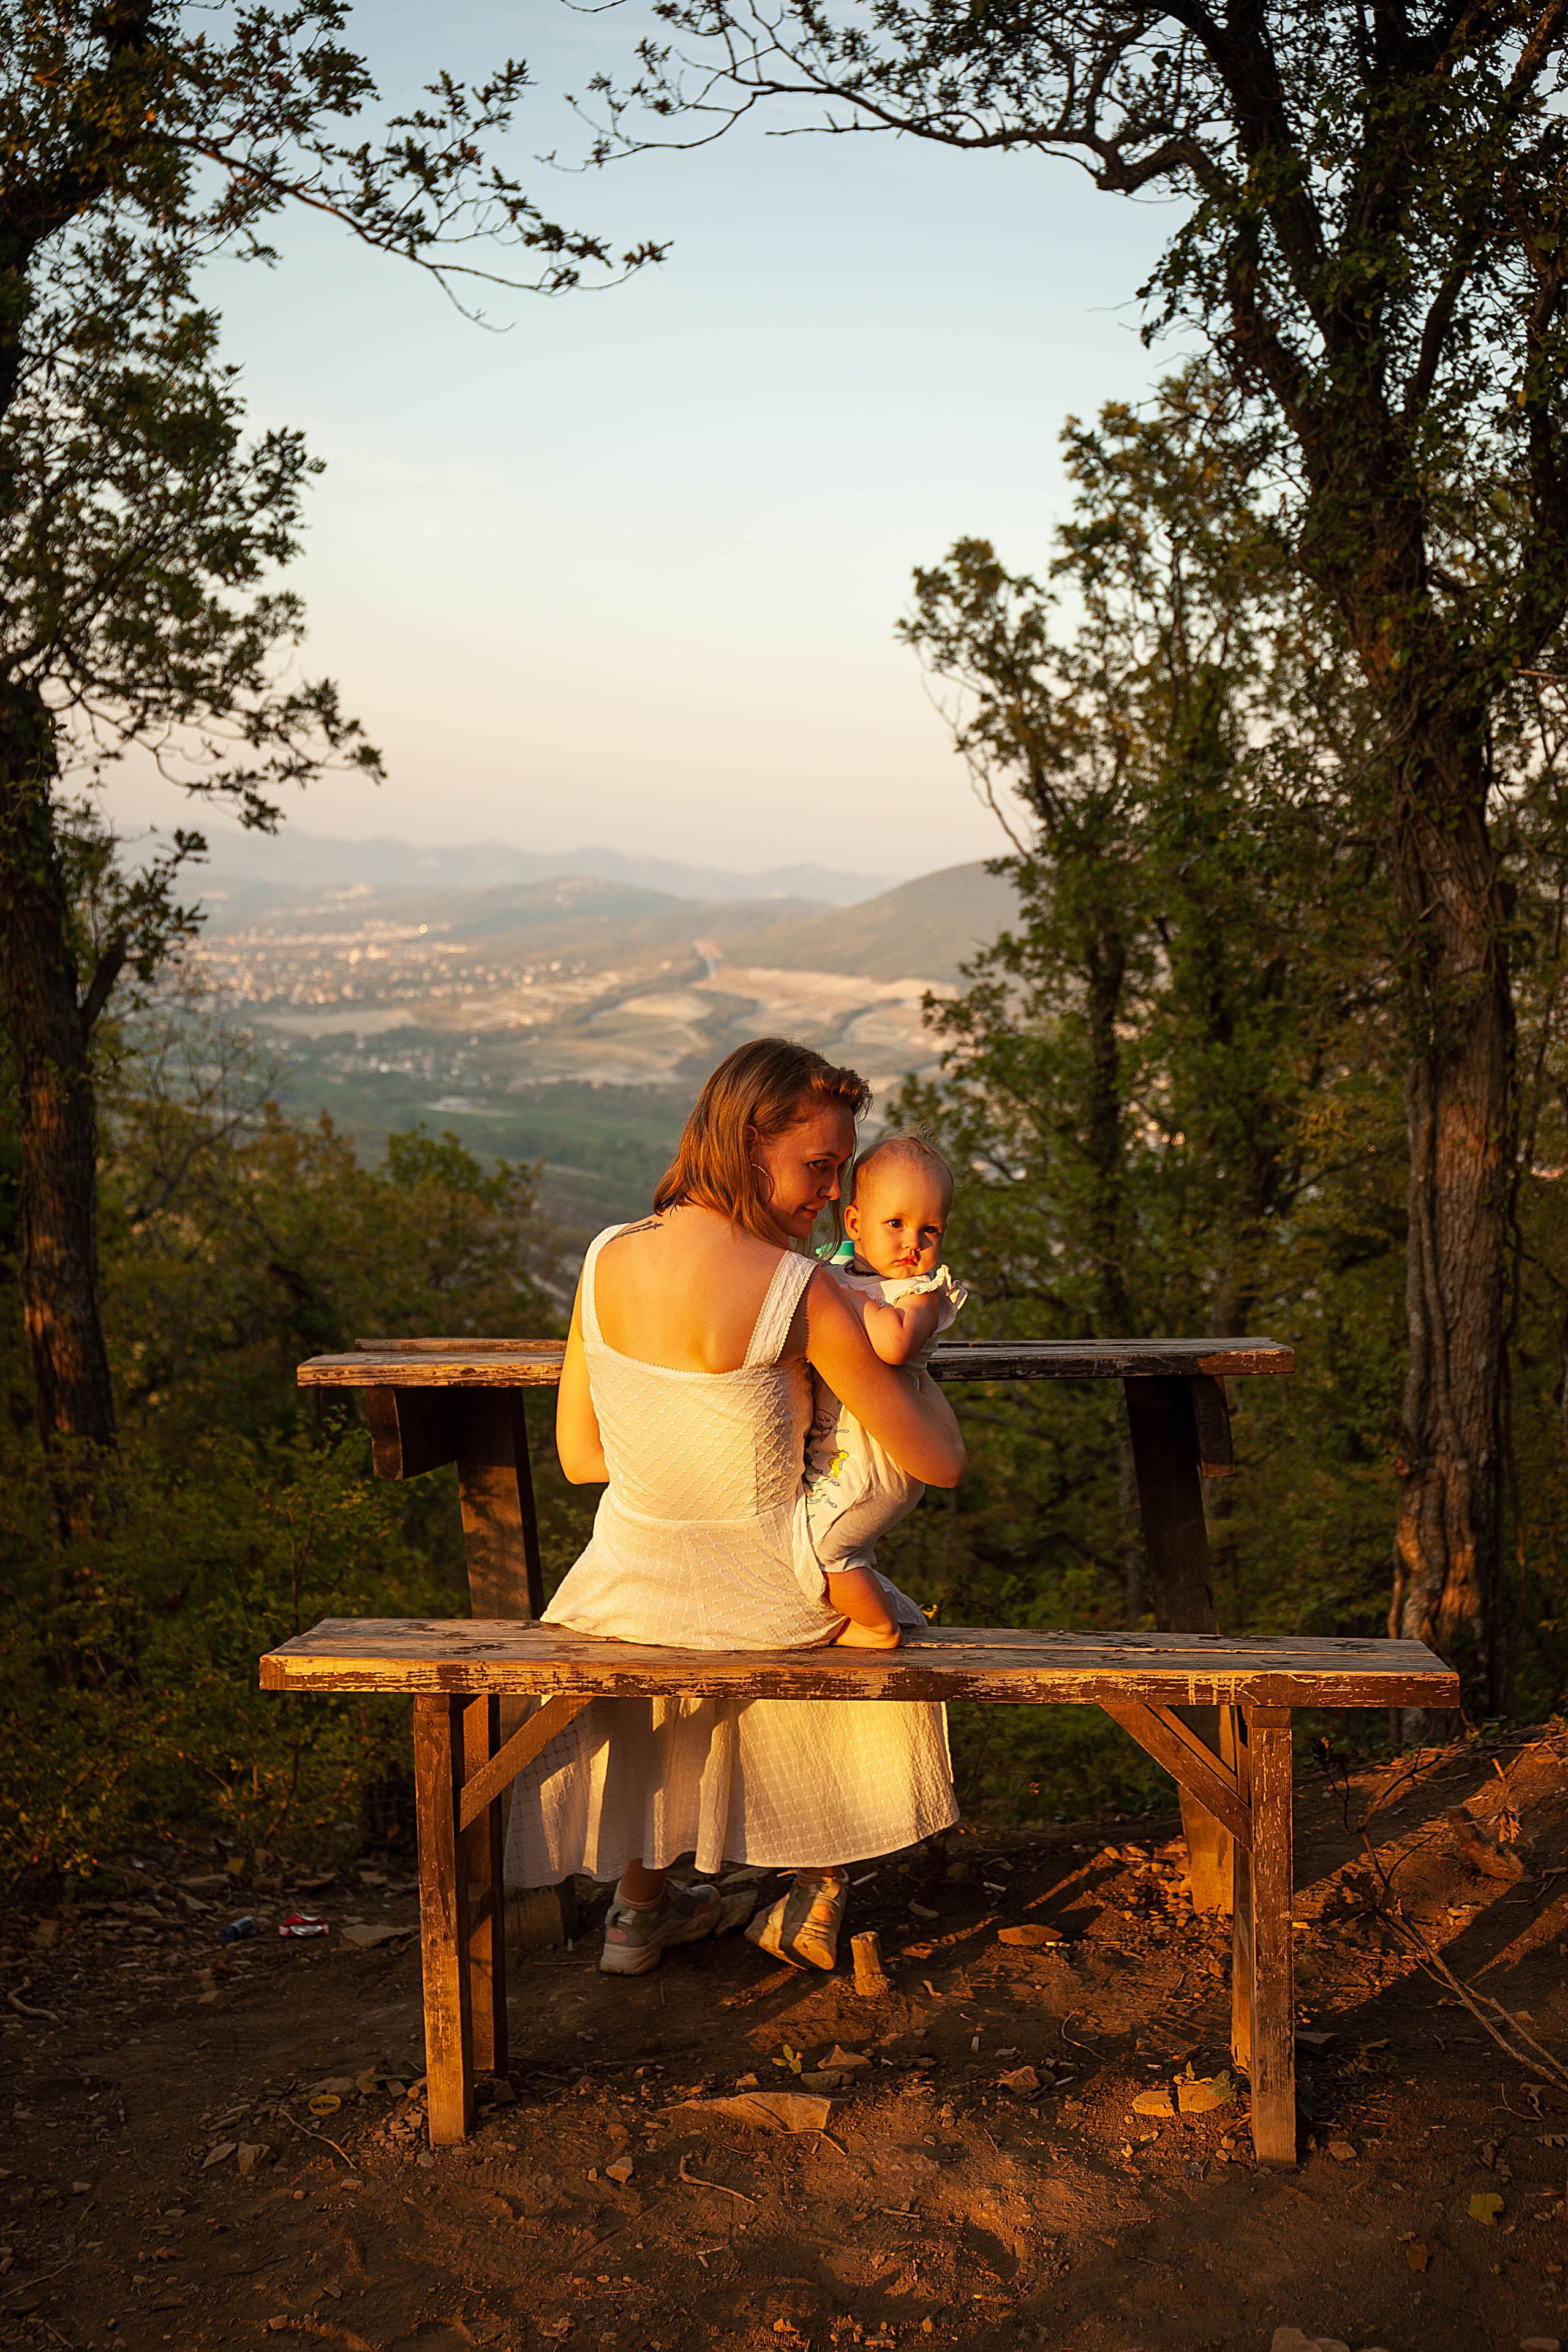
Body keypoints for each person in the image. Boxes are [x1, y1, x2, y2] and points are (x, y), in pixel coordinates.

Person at [502, 1038, 966, 1977]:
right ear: (751, 1145)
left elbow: (581, 1457)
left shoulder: (603, 1256)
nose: (835, 1195)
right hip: (765, 1599)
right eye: (820, 1167)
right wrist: (912, 1355)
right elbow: (940, 1463)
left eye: (842, 1171)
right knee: (853, 1608)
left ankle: (638, 1914)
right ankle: (816, 1881)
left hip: (621, 1589)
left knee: (676, 1631)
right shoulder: (803, 1288)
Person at [800, 1134, 968, 1637]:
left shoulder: (919, 1295)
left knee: (828, 1548)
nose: (912, 1242)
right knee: (809, 1543)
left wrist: (843, 1301)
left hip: (887, 1452)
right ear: (855, 1224)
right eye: (895, 1223)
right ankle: (866, 1614)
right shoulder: (839, 1272)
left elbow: (893, 1346)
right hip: (844, 1449)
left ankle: (876, 1630)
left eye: (929, 1229)